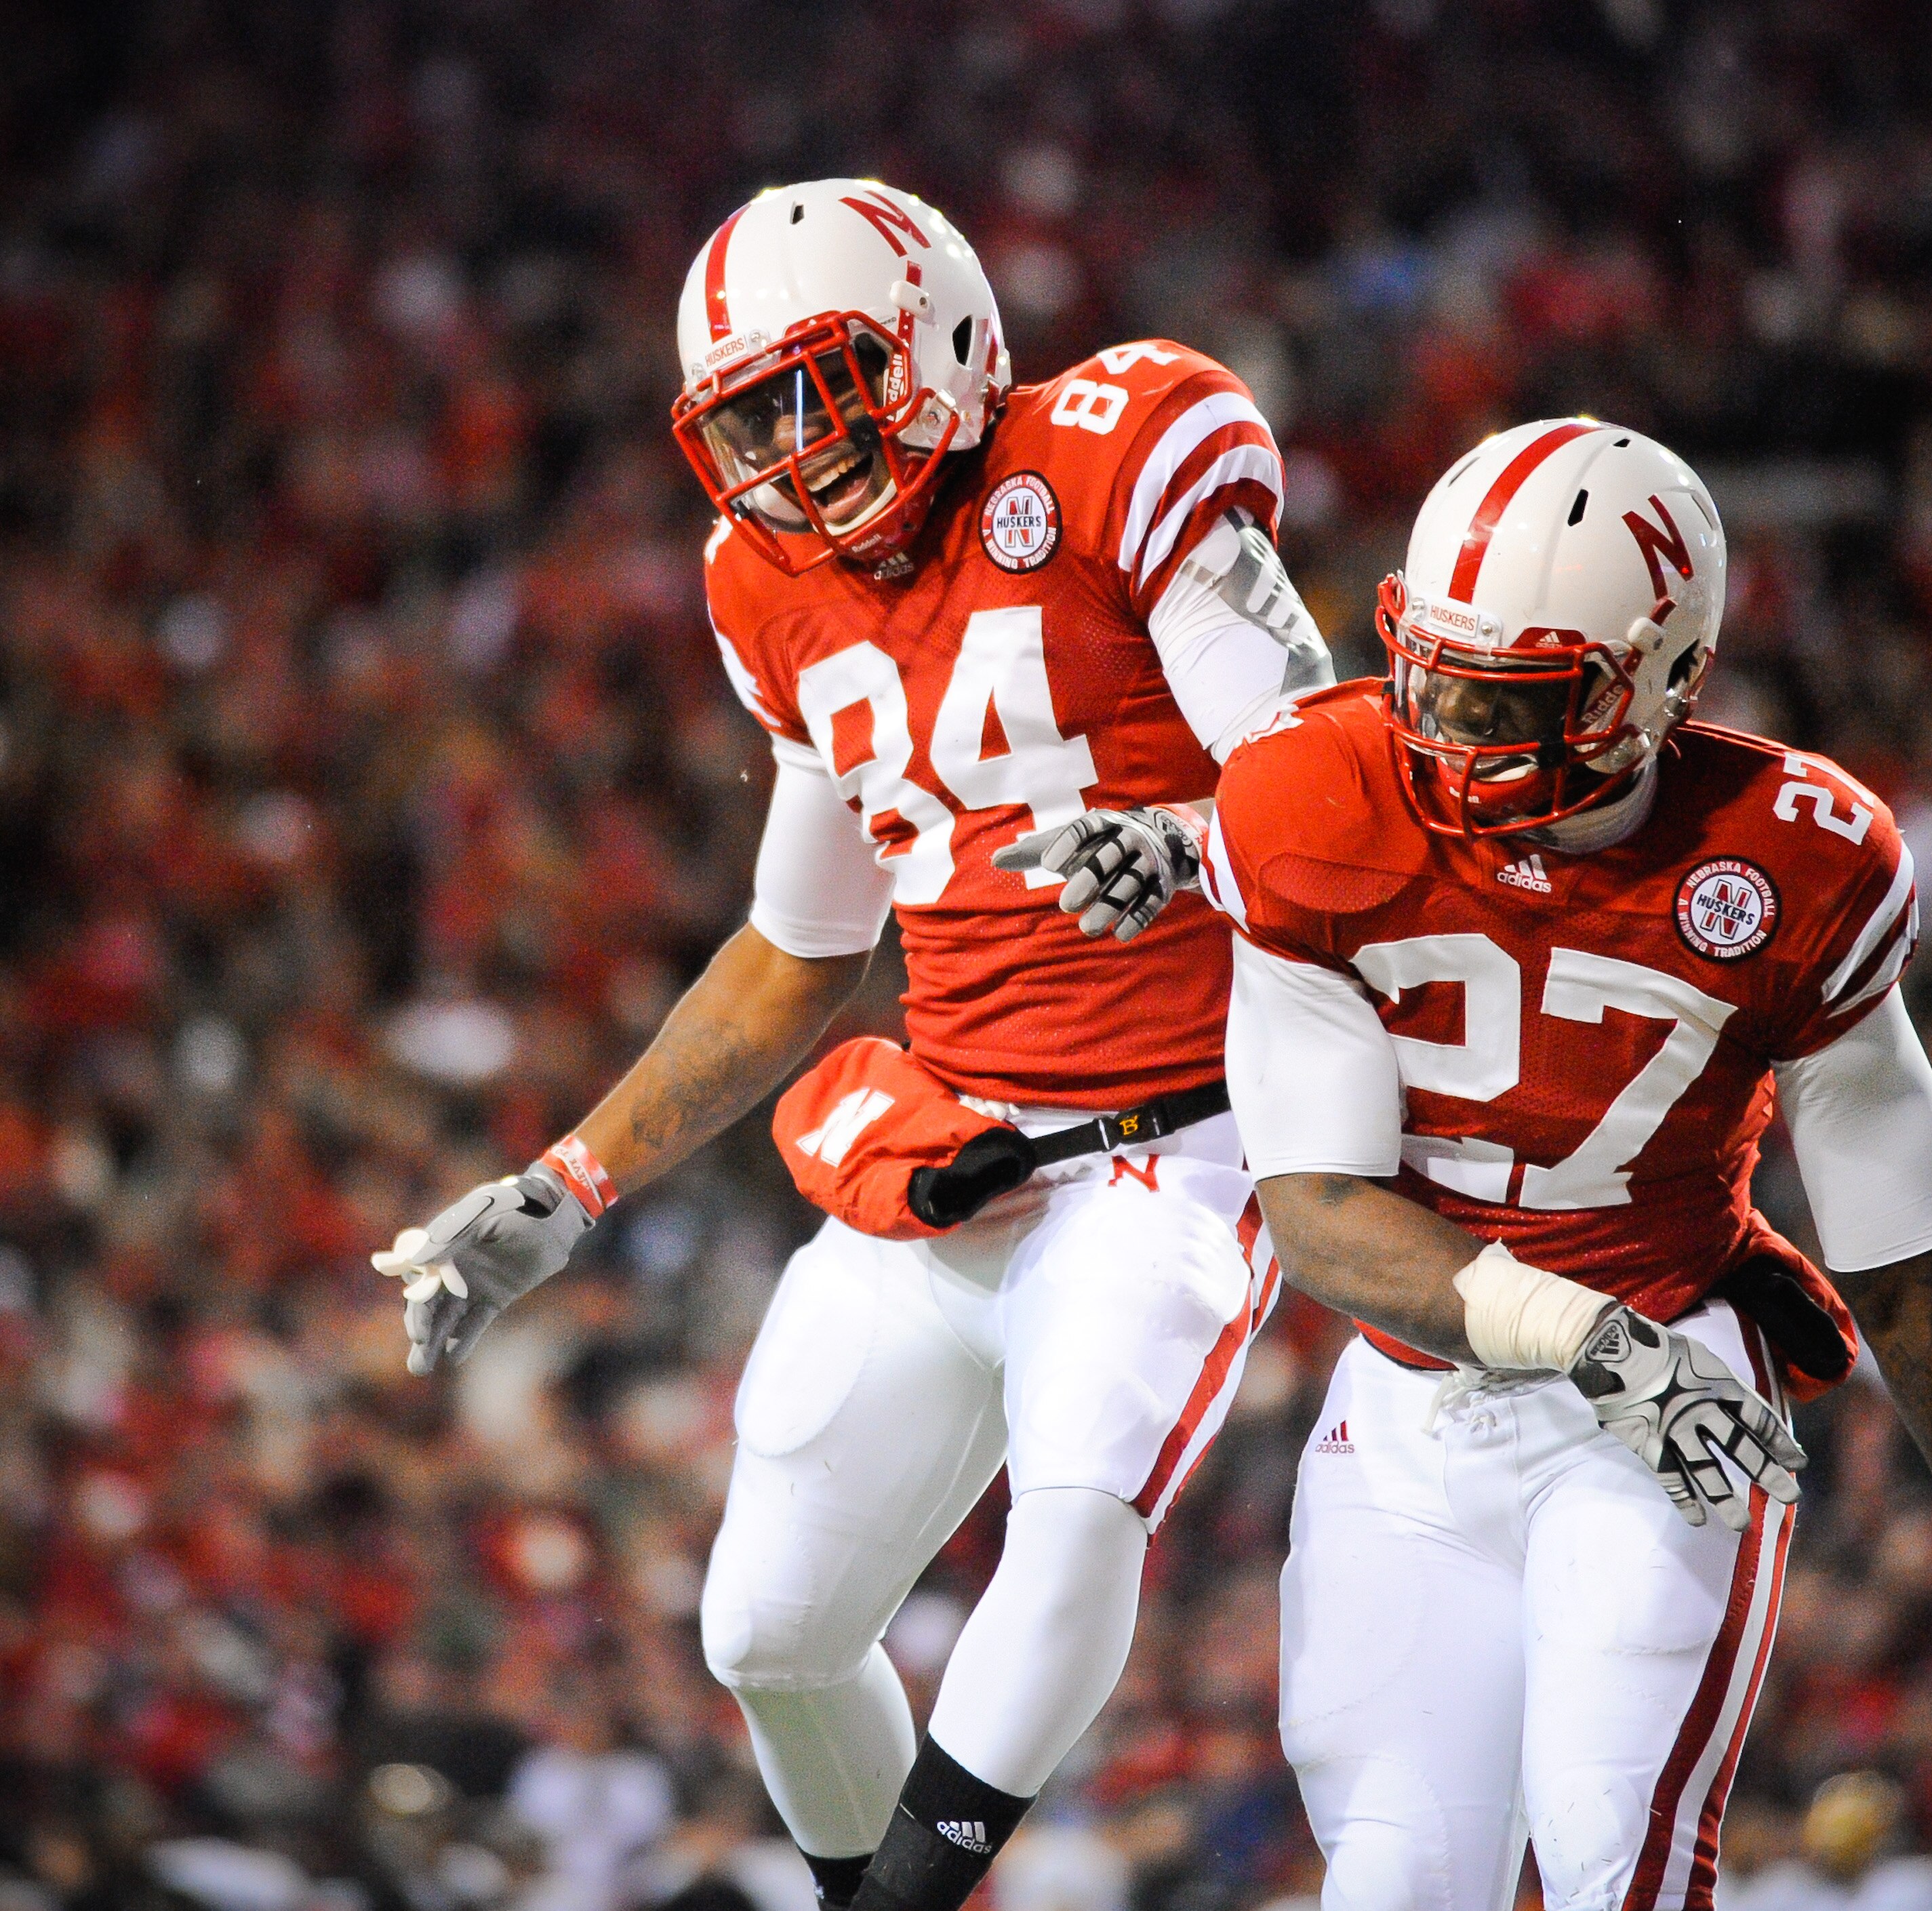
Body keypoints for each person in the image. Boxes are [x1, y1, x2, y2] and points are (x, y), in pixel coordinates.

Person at [371, 179, 1331, 1911]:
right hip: (948, 1147)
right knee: (767, 1631)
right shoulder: (769, 587)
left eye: (820, 390)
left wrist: (1190, 844)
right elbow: (794, 951)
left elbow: (1319, 784)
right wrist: (567, 1186)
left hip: (1173, 1144)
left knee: (1077, 1512)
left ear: (944, 339)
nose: (788, 454)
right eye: (748, 420)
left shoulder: (1115, 455)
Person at [1205, 420, 1932, 1910]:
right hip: (1413, 1399)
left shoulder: (1794, 860)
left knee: (1613, 1853)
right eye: (1432, 674)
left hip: (1670, 1394)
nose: (1449, 727)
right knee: (1394, 1878)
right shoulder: (1308, 793)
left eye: (1510, 698)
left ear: (1659, 679)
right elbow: (1316, 1215)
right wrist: (1582, 1337)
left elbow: (1903, 1266)